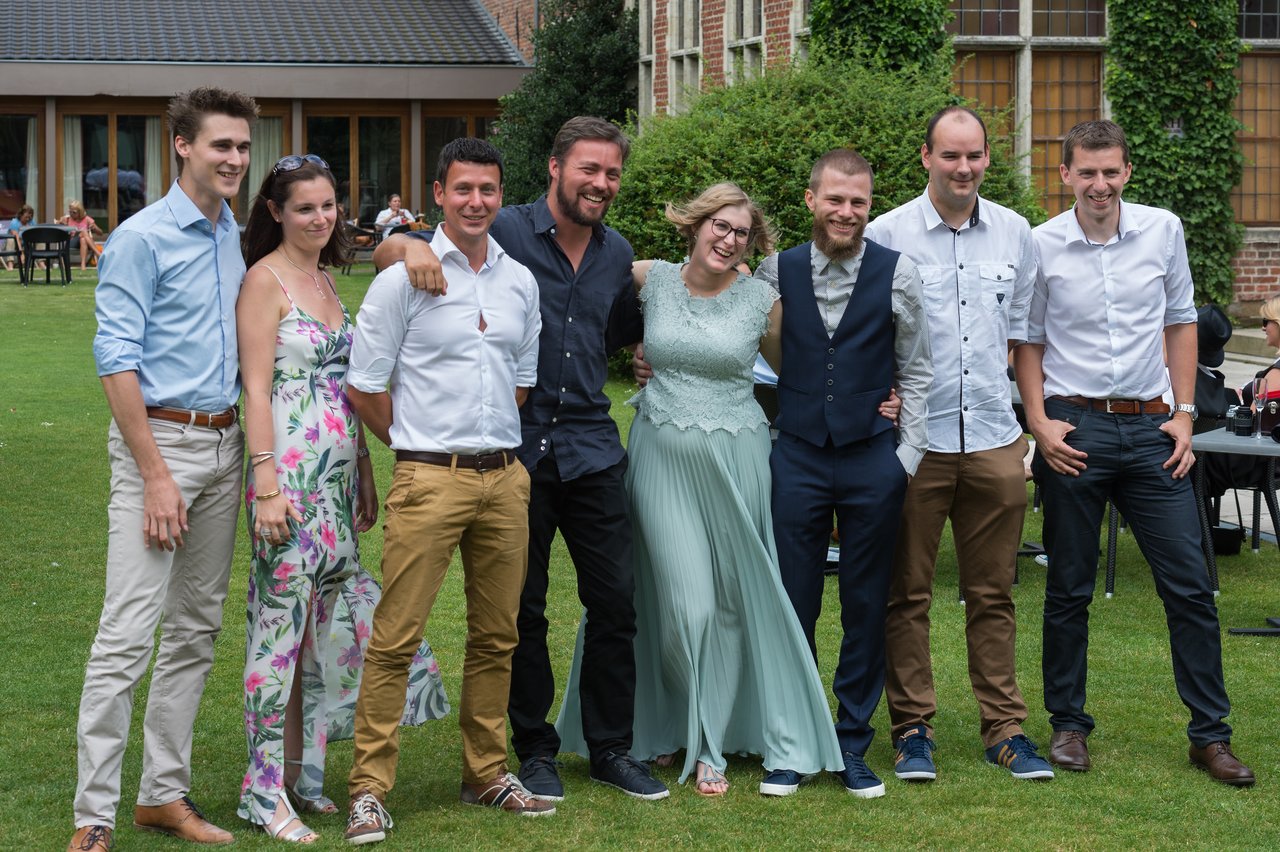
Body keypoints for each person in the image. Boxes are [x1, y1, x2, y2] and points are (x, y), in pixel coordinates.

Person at [373, 116, 669, 803]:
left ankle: (611, 748)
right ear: (556, 169)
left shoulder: (616, 251)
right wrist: (399, 246)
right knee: (521, 611)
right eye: (589, 170)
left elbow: (623, 333)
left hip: (594, 449)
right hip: (516, 451)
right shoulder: (502, 227)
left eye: (612, 173)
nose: (601, 183)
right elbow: (414, 248)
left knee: (616, 605)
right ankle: (533, 749)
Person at [555, 184, 844, 797]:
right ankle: (688, 732)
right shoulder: (647, 277)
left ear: (752, 241)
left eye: (741, 231)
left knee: (736, 602)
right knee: (680, 601)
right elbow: (572, 291)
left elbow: (798, 377)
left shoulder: (764, 301)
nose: (728, 238)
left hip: (740, 457)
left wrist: (879, 396)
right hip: (661, 454)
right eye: (719, 224)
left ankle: (702, 732)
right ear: (694, 225)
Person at [1014, 119, 1254, 786]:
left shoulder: (1162, 230)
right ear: (1063, 175)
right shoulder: (1041, 244)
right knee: (1067, 586)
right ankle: (1068, 726)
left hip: (1153, 433)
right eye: (1085, 172)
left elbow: (1181, 320)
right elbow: (1027, 339)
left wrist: (1183, 415)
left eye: (1110, 171)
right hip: (1076, 432)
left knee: (1190, 587)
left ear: (1127, 171)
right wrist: (1038, 422)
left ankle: (1210, 737)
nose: (1099, 184)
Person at [344, 137, 551, 845]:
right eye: (463, 189)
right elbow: (365, 386)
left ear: (501, 195)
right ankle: (369, 789)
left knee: (499, 636)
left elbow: (521, 382)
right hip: (429, 476)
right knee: (396, 637)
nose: (476, 202)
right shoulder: (404, 276)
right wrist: (415, 448)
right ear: (439, 193)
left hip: (505, 478)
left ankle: (486, 773)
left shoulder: (519, 281)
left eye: (488, 190)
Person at [235, 154, 448, 842]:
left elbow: (347, 388)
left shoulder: (327, 279)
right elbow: (257, 391)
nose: (321, 218)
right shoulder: (263, 282)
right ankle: (262, 795)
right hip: (288, 488)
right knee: (277, 641)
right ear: (276, 212)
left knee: (320, 638)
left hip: (334, 487)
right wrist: (266, 485)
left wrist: (362, 469)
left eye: (329, 206)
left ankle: (303, 775)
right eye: (305, 208)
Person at [71, 87, 258, 852]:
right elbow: (115, 360)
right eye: (222, 146)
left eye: (244, 147)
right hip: (162, 450)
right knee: (126, 634)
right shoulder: (142, 238)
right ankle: (91, 817)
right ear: (182, 145)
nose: (236, 159)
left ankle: (162, 796)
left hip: (225, 450)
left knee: (195, 631)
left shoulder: (230, 234)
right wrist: (153, 475)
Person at [867, 106, 1053, 782]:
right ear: (925, 158)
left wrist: (1034, 422)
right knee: (906, 592)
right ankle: (913, 729)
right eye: (951, 156)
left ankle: (1004, 730)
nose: (965, 168)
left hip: (996, 440)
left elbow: (1027, 334)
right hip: (915, 443)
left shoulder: (1014, 232)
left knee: (994, 593)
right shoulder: (885, 234)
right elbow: (861, 334)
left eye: (975, 155)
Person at [754, 148, 932, 799]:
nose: (846, 211)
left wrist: (902, 460)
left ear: (869, 206)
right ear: (810, 200)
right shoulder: (776, 270)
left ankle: (853, 740)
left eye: (858, 201)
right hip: (796, 452)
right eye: (835, 198)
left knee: (865, 604)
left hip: (870, 459)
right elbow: (740, 343)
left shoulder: (898, 272)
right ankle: (793, 744)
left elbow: (917, 370)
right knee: (791, 604)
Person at [61, 199, 105, 269]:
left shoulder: (87, 219)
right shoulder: (67, 219)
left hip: (85, 243)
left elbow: (101, 233)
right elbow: (56, 224)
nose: (71, 214)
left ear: (80, 212)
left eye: (74, 212)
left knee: (83, 239)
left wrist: (95, 228)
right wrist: (62, 223)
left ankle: (83, 265)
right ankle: (97, 253)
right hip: (71, 242)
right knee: (84, 232)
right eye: (70, 212)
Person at [2, 203, 33, 270]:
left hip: (25, 243)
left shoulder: (31, 222)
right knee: (11, 239)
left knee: (40, 238)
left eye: (29, 217)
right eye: (26, 217)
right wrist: (22, 253)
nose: (28, 219)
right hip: (12, 243)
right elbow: (16, 238)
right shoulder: (15, 222)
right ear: (21, 215)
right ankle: (10, 264)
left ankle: (41, 262)